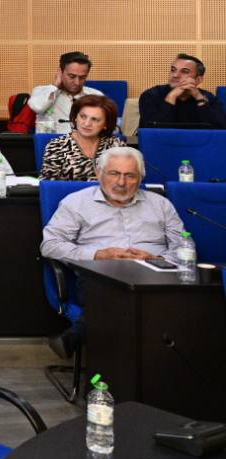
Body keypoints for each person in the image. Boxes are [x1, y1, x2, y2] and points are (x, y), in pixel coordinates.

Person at [40, 147, 188, 358]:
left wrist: (157, 259)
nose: (121, 182)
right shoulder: (76, 203)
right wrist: (97, 255)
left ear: (140, 178)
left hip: (155, 276)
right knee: (116, 295)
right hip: (100, 276)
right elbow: (50, 244)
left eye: (130, 175)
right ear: (99, 173)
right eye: (114, 173)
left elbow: (185, 246)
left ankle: (75, 337)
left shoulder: (161, 205)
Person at [41, 94, 122, 181]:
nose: (87, 124)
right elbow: (48, 184)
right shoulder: (57, 146)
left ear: (105, 124)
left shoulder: (115, 145)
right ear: (76, 117)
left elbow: (125, 179)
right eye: (83, 117)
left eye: (95, 119)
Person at [138, 54, 226, 131]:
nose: (175, 75)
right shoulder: (151, 95)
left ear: (198, 79)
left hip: (197, 144)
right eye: (173, 70)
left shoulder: (210, 98)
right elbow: (150, 132)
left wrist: (199, 98)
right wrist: (171, 97)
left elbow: (220, 131)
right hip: (162, 144)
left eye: (184, 71)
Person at [28, 51, 102, 132]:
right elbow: (38, 107)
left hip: (83, 140)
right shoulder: (41, 91)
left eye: (82, 77)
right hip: (51, 139)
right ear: (60, 72)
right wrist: (55, 85)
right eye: (72, 76)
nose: (77, 82)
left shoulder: (96, 95)